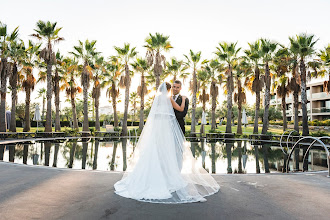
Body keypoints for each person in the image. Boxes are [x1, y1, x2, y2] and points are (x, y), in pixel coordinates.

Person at [114, 82, 220, 204]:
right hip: (167, 130)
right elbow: (179, 109)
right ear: (169, 89)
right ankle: (168, 176)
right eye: (173, 87)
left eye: (177, 87)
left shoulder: (158, 98)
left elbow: (178, 114)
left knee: (158, 152)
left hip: (159, 131)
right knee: (166, 152)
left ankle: (160, 175)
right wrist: (184, 100)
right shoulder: (168, 98)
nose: (174, 89)